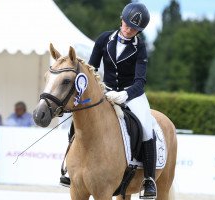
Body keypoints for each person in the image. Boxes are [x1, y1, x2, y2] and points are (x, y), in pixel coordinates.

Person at [60, 2, 156, 198]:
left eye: (134, 29)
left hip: (132, 95)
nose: (129, 30)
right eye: (127, 24)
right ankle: (71, 167)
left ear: (139, 31)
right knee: (79, 117)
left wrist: (125, 94)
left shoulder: (141, 47)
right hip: (106, 91)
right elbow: (91, 69)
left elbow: (140, 82)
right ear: (122, 19)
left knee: (147, 127)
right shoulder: (104, 39)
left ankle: (149, 179)